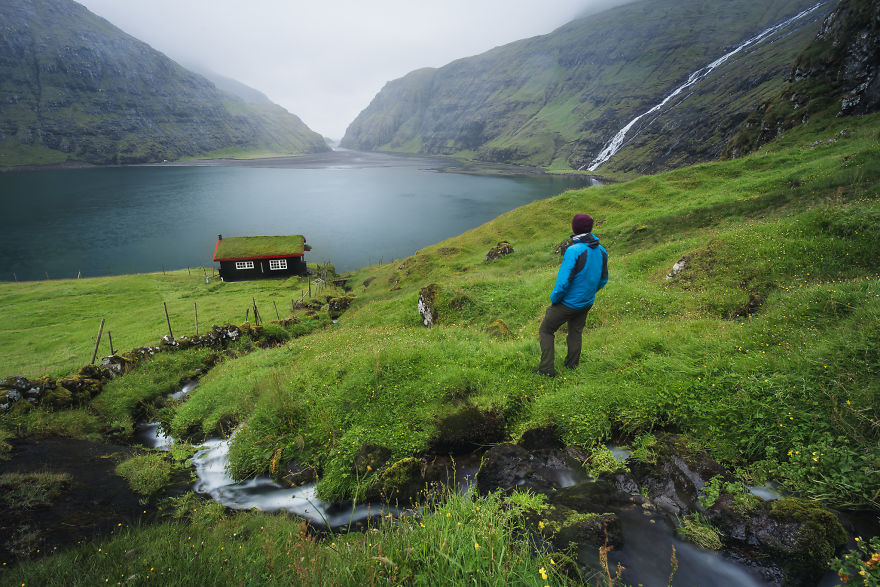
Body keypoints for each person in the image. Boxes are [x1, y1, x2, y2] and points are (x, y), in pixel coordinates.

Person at [536, 214, 608, 376]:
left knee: (546, 330)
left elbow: (563, 283)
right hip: (586, 302)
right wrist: (589, 293)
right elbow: (603, 279)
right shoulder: (602, 250)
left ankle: (546, 370)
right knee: (575, 332)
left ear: (574, 228)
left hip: (568, 303)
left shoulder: (574, 250)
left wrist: (555, 300)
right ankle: (572, 365)